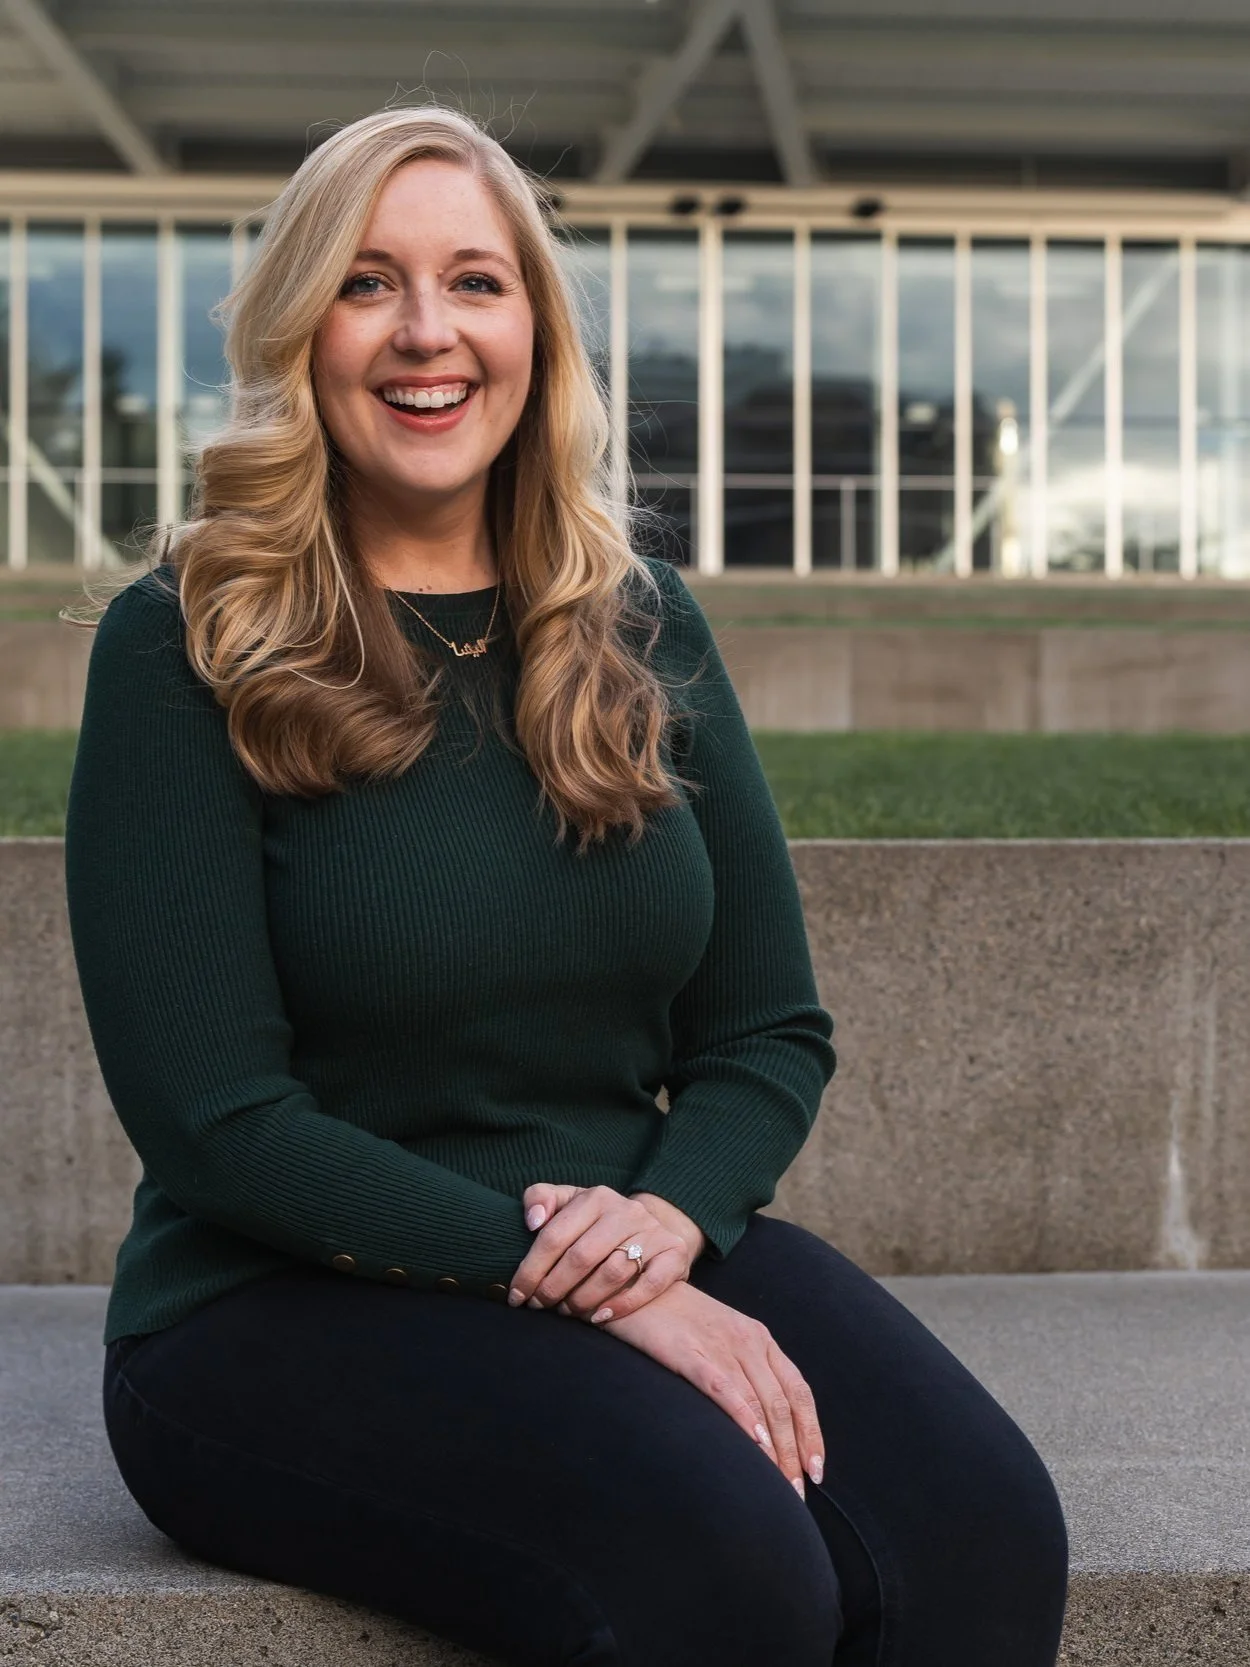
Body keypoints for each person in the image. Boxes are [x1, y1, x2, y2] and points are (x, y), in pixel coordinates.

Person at [63, 106, 1068, 1667]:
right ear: (299, 329)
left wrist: (664, 1224)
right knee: (725, 1572)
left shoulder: (635, 621)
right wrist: (595, 1284)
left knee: (978, 1538)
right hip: (269, 1299)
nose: (424, 333)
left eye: (475, 280)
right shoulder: (186, 640)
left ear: (533, 326)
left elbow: (764, 1030)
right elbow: (216, 1121)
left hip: (635, 1226)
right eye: (366, 283)